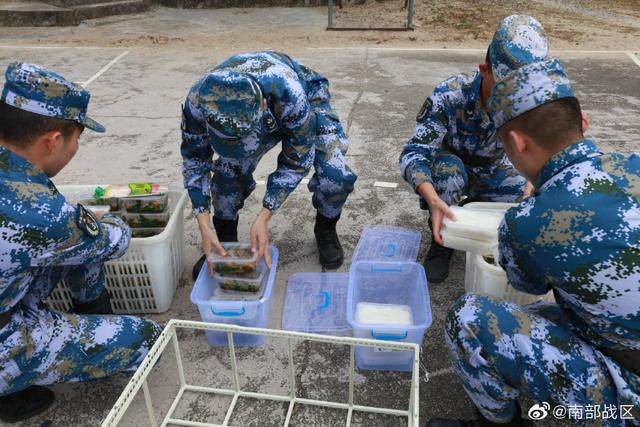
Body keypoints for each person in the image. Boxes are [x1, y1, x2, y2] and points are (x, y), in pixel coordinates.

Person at [430, 59, 640, 426]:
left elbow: (527, 284)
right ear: (583, 123)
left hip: (629, 398)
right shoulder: (633, 167)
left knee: (470, 321)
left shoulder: (528, 222)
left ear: (517, 142)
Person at [0, 62, 162, 423]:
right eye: (77, 137)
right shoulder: (41, 211)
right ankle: (9, 386)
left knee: (78, 247)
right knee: (148, 340)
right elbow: (114, 242)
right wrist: (108, 221)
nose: (75, 146)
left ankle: (90, 316)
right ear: (53, 140)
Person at [399, 15, 549, 283]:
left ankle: (481, 228)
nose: (510, 96)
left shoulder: (529, 101)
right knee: (448, 173)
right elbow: (414, 153)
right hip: (451, 165)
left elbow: (546, 146)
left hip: (492, 170)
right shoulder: (449, 95)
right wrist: (432, 198)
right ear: (484, 70)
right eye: (503, 86)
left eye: (519, 87)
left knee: (527, 199)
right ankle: (441, 241)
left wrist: (536, 179)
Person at [181, 51, 357, 277]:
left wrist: (265, 215)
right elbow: (195, 162)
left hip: (305, 96)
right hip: (256, 110)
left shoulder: (291, 94)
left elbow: (297, 160)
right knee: (227, 175)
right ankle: (223, 242)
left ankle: (325, 228)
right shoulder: (198, 102)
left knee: (336, 175)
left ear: (263, 105)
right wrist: (203, 224)